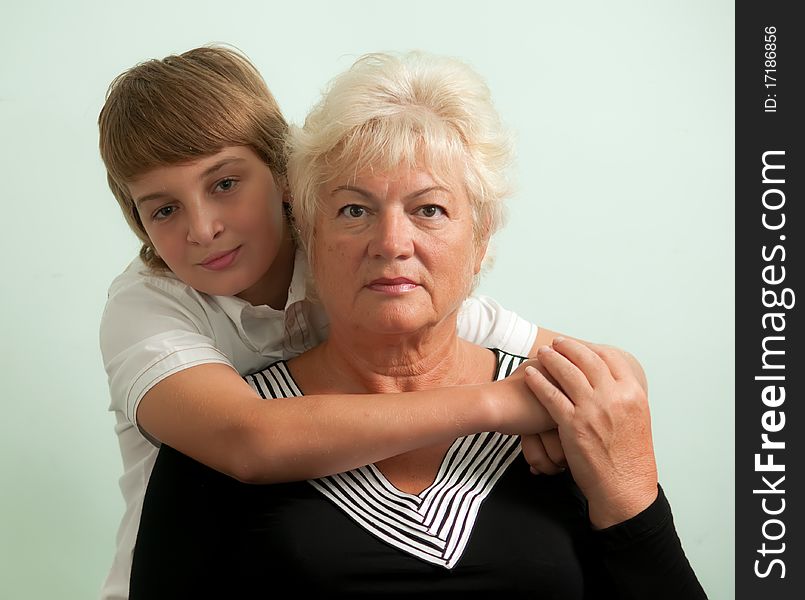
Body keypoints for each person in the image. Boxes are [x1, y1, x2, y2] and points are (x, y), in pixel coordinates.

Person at [127, 50, 707, 598]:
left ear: (480, 241)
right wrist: (506, 404)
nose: (391, 244)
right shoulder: (207, 435)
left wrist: (611, 440)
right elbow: (248, 441)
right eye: (354, 211)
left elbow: (616, 376)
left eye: (428, 209)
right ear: (308, 232)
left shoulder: (567, 419)